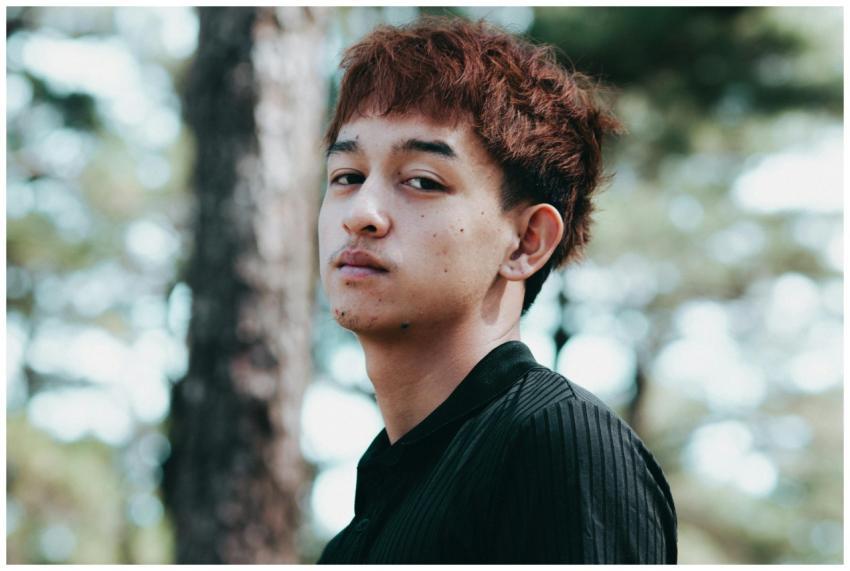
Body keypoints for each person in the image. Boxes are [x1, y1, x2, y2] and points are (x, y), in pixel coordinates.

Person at [316, 16, 677, 564]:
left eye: (423, 181)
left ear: (527, 242)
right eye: (347, 176)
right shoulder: (356, 534)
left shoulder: (560, 444)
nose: (361, 213)